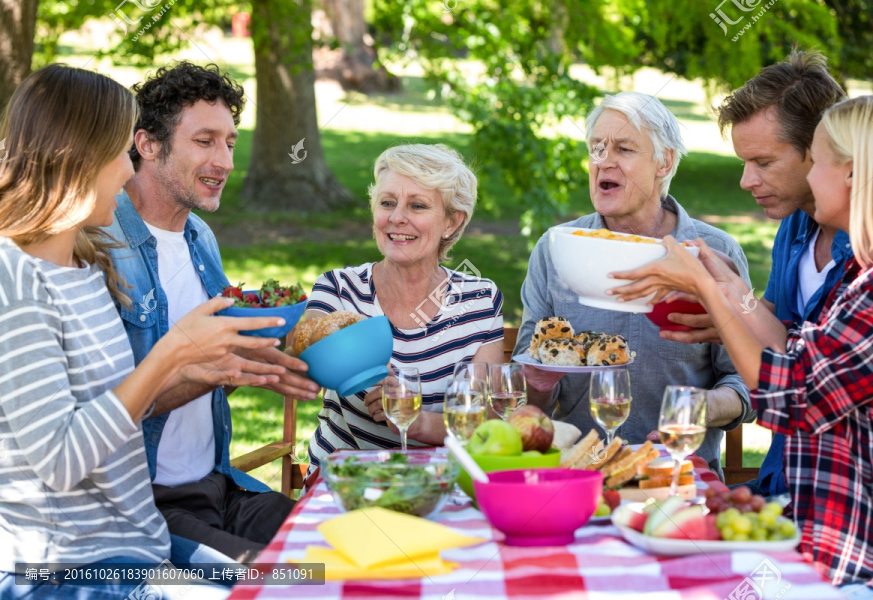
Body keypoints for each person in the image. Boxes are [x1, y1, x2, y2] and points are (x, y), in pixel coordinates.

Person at [0, 65, 284, 599]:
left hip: (141, 545)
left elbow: (114, 403)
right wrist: (173, 354)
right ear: (75, 157)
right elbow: (62, 459)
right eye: (118, 154)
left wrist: (226, 362)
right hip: (68, 569)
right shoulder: (15, 279)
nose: (127, 172)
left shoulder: (88, 266)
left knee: (325, 569)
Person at [609, 94, 873, 599]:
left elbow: (793, 396)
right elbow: (792, 352)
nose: (811, 177)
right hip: (827, 545)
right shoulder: (865, 274)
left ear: (852, 173)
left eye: (820, 162)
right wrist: (727, 288)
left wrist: (706, 291)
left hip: (867, 566)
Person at [104, 62, 321, 564]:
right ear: (148, 144)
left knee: (345, 546)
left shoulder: (201, 238)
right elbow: (111, 411)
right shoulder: (102, 246)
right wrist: (220, 367)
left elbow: (211, 373)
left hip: (219, 486)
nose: (223, 160)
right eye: (205, 141)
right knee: (291, 580)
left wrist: (257, 364)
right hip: (145, 508)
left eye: (230, 142)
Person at [515, 92, 754, 477]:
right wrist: (539, 385)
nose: (604, 160)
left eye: (624, 148)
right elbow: (528, 399)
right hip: (577, 476)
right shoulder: (554, 249)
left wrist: (705, 406)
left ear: (665, 161)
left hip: (680, 476)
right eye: (597, 148)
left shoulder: (713, 253)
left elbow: (748, 379)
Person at [302, 144, 504, 472]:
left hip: (441, 485)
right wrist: (367, 369)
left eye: (417, 205)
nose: (397, 218)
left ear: (451, 222)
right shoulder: (338, 288)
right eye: (387, 203)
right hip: (343, 486)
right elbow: (306, 344)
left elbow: (486, 417)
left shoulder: (480, 299)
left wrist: (418, 421)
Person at [706, 49, 849, 499]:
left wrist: (723, 294)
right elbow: (778, 319)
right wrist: (721, 312)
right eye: (744, 163)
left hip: (849, 493)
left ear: (820, 150)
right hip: (784, 476)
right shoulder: (794, 225)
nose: (747, 181)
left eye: (763, 163)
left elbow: (804, 371)